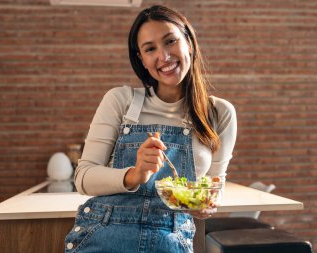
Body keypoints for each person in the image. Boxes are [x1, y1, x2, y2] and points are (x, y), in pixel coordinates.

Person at [64, 5, 237, 253]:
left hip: (170, 242)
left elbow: (214, 187)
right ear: (142, 60)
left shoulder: (220, 113)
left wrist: (205, 206)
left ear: (189, 42)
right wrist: (135, 174)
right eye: (150, 49)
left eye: (171, 41)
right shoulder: (120, 101)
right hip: (103, 238)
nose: (164, 56)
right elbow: (83, 178)